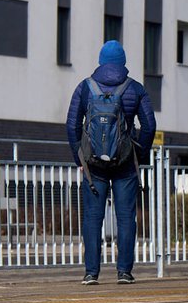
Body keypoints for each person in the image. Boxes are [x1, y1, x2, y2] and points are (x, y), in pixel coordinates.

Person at [66, 39, 156, 284]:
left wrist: (80, 158)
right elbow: (149, 126)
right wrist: (139, 155)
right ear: (123, 62)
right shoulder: (135, 88)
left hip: (93, 165)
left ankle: (91, 273)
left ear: (100, 61)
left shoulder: (85, 88)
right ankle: (124, 272)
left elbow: (72, 125)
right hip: (125, 164)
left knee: (92, 218)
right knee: (126, 218)